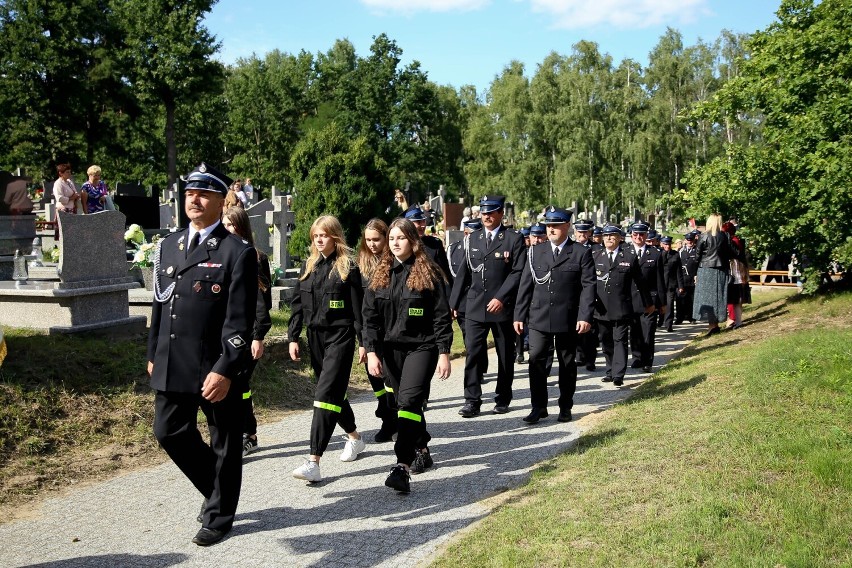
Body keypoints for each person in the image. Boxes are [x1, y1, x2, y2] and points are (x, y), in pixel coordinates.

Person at [147, 163, 257, 547]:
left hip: (214, 363)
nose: (194, 199)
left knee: (224, 440)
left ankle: (219, 515)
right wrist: (152, 352)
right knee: (168, 430)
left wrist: (226, 368)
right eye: (190, 193)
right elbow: (160, 305)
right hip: (174, 358)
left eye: (204, 194)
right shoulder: (168, 245)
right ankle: (220, 492)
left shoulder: (236, 251)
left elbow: (239, 320)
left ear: (219, 200)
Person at [362, 218, 452, 492]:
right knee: (405, 404)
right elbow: (370, 318)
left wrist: (444, 352)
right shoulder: (381, 274)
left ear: (414, 241)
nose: (395, 243)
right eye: (392, 239)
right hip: (390, 351)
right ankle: (422, 447)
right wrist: (373, 352)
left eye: (401, 238)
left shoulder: (429, 273)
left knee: (409, 401)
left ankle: (401, 465)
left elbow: (441, 317)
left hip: (421, 348)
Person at [288, 215, 366, 483]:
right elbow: (297, 304)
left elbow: (360, 310)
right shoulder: (308, 266)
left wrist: (365, 343)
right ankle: (354, 437)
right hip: (315, 338)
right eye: (315, 236)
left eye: (324, 235)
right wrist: (292, 337)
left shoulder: (348, 268)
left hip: (341, 337)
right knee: (333, 393)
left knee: (323, 395)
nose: (319, 240)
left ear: (335, 236)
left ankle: (314, 461)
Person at [513, 206, 595, 424]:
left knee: (567, 363)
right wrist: (519, 315)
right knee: (536, 361)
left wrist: (585, 316)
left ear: (567, 226)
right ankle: (538, 406)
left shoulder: (580, 252)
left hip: (567, 318)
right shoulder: (535, 252)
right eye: (548, 226)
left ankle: (565, 406)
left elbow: (588, 287)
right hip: (539, 317)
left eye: (556, 226)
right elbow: (526, 286)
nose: (551, 230)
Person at [449, 195, 525, 417]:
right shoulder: (473, 239)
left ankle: (503, 397)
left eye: (491, 212)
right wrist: (454, 303)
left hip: (501, 308)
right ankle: (472, 400)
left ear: (501, 213)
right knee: (473, 353)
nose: (487, 216)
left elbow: (517, 272)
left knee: (504, 355)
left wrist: (501, 297)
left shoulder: (513, 238)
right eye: (483, 212)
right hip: (474, 307)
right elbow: (464, 271)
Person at [221, 206, 273, 457]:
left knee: (239, 383)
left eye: (232, 225)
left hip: (248, 334)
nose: (228, 229)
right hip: (224, 333)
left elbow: (263, 302)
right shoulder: (221, 254)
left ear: (241, 227)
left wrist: (258, 336)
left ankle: (247, 434)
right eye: (225, 224)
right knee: (235, 385)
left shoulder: (255, 257)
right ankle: (240, 433)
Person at [592, 225, 654, 386]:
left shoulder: (628, 257)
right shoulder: (595, 256)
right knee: (606, 340)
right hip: (601, 307)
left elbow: (640, 282)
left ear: (619, 238)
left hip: (621, 307)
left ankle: (618, 374)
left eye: (612, 236)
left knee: (619, 339)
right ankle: (610, 370)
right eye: (606, 236)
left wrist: (648, 303)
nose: (608, 239)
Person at [356, 218, 397, 443]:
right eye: (368, 240)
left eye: (376, 240)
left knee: (392, 380)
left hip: (391, 329)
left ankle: (395, 421)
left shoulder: (394, 263)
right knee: (376, 379)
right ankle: (386, 418)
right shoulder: (360, 264)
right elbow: (357, 304)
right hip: (369, 331)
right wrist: (362, 340)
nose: (372, 244)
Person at [625, 222, 666, 373]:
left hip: (650, 300)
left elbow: (660, 280)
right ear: (631, 235)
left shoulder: (655, 254)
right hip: (631, 299)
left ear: (646, 236)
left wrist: (662, 303)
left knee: (648, 331)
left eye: (641, 234)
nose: (638, 237)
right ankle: (636, 357)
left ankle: (647, 360)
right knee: (634, 330)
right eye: (635, 234)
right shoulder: (625, 252)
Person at [693, 213, 736, 335]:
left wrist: (695, 272)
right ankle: (715, 323)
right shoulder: (725, 236)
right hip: (721, 269)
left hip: (705, 269)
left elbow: (697, 256)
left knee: (706, 298)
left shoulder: (703, 236)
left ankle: (712, 325)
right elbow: (733, 252)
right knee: (719, 296)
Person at [402, 205, 452, 287]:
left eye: (423, 221)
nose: (422, 226)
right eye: (418, 222)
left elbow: (445, 275)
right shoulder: (401, 245)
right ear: (408, 224)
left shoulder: (434, 244)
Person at [573, 219, 598, 371]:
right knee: (575, 328)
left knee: (590, 330)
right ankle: (579, 356)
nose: (582, 234)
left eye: (585, 231)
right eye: (579, 231)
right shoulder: (572, 248)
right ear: (575, 232)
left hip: (591, 293)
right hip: (574, 294)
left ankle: (590, 359)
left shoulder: (597, 249)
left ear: (589, 233)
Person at [723, 221, 747, 329]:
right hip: (734, 271)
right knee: (734, 298)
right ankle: (736, 320)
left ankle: (736, 320)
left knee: (736, 298)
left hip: (736, 272)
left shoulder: (734, 241)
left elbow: (736, 255)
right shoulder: (734, 240)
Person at [660, 236, 685, 332]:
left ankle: (668, 324)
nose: (667, 246)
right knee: (659, 305)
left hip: (671, 284)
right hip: (660, 284)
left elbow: (679, 272)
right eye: (665, 244)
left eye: (669, 244)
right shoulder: (659, 254)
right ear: (662, 244)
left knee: (669, 305)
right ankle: (659, 321)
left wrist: (681, 286)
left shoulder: (675, 255)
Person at [677, 232, 699, 324]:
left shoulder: (697, 250)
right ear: (685, 241)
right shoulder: (681, 251)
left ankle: (692, 317)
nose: (690, 242)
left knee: (692, 299)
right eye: (688, 240)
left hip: (693, 278)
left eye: (691, 240)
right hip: (682, 278)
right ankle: (680, 317)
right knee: (681, 299)